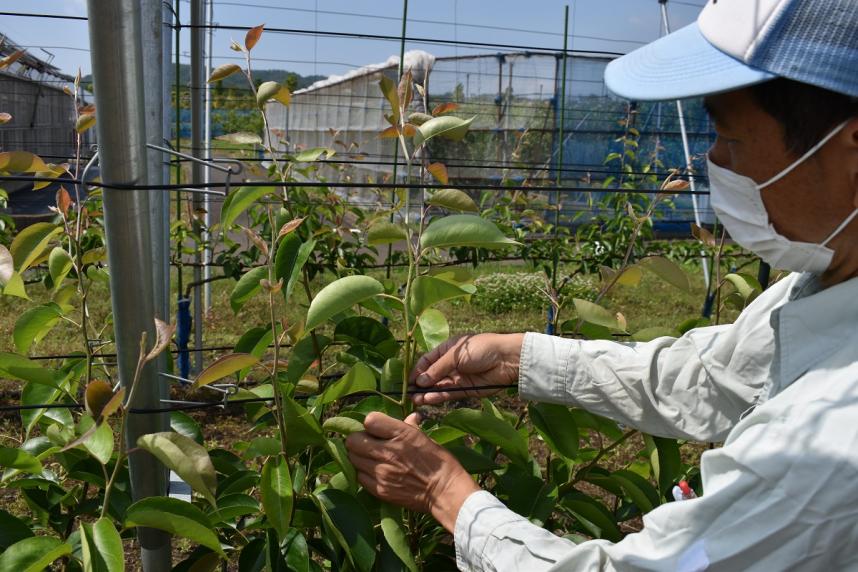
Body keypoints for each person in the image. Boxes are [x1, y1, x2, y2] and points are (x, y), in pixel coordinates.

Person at [346, 0, 858, 569]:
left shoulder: (831, 444)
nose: (711, 159)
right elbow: (715, 376)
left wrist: (445, 492)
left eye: (732, 140)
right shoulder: (828, 280)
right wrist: (523, 358)